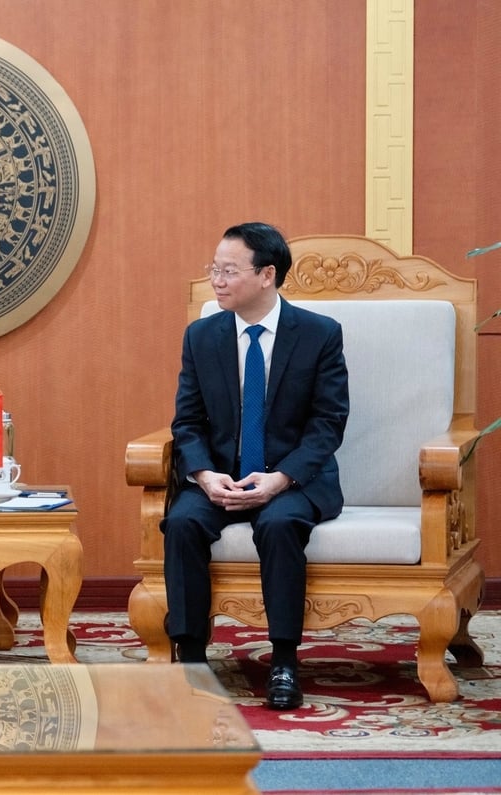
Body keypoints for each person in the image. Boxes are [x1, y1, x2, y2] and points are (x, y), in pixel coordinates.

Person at [161, 222, 349, 711]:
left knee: (281, 523)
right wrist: (203, 475)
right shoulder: (202, 336)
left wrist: (279, 479)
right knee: (181, 522)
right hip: (220, 478)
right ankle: (191, 658)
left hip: (291, 479)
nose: (216, 281)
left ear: (267, 274)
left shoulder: (318, 335)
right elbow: (187, 421)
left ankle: (284, 660)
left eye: (228, 271)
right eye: (213, 270)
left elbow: (328, 424)